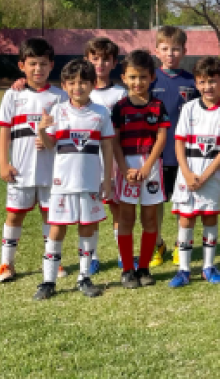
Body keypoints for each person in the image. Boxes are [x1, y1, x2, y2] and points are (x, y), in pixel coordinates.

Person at [34, 59, 114, 300]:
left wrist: (107, 179)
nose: (77, 87)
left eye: (83, 82)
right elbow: (49, 144)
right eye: (72, 83)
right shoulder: (57, 111)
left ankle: (84, 277)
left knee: (87, 228)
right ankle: (48, 281)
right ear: (64, 85)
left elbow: (108, 147)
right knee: (56, 230)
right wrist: (41, 130)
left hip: (90, 182)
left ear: (92, 84)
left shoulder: (101, 113)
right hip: (62, 184)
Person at [0, 38, 67, 283]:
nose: (38, 69)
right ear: (22, 66)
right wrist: (3, 163)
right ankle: (6, 263)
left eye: (43, 64)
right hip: (21, 170)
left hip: (51, 170)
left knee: (51, 216)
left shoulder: (60, 96)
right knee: (14, 215)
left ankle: (53, 261)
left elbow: (65, 130)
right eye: (33, 64)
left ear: (51, 65)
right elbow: (4, 131)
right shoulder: (12, 96)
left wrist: (50, 138)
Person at [169, 57, 220, 287]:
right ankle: (184, 269)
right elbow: (179, 143)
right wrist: (187, 173)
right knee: (186, 221)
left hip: (211, 174)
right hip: (187, 174)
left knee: (210, 218)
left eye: (212, 81)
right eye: (202, 82)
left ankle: (209, 266)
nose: (207, 86)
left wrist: (208, 173)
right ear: (196, 84)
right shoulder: (189, 108)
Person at [112, 50, 170, 288]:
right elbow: (114, 140)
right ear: (124, 77)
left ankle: (144, 267)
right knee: (126, 218)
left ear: (152, 77)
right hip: (126, 165)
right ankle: (127, 269)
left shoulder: (157, 105)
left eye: (143, 77)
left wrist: (147, 166)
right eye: (133, 77)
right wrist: (125, 168)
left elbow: (161, 138)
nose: (138, 82)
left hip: (151, 166)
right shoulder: (119, 107)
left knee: (149, 219)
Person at [149, 26, 199, 268]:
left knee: (183, 203)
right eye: (166, 49)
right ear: (156, 51)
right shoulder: (149, 79)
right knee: (155, 203)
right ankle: (158, 243)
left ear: (184, 51)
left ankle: (181, 244)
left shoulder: (192, 81)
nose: (171, 54)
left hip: (184, 157)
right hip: (156, 155)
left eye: (176, 49)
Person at [83, 37, 127, 274]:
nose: (100, 64)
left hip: (114, 161)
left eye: (105, 59)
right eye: (95, 58)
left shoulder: (120, 94)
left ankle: (123, 254)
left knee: (116, 208)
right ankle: (92, 257)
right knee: (91, 210)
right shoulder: (79, 90)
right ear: (87, 60)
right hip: (88, 161)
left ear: (114, 62)